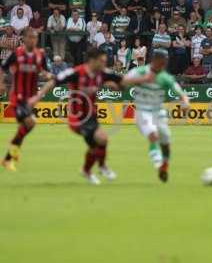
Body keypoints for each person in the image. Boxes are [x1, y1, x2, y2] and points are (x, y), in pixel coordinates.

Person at [31, 48, 154, 185]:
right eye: (101, 61)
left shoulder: (102, 73)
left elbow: (123, 80)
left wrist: (142, 79)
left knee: (102, 141)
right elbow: (53, 82)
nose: (104, 63)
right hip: (77, 117)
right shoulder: (76, 72)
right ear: (92, 60)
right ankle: (97, 168)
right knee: (99, 140)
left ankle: (92, 169)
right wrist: (37, 97)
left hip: (91, 115)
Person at [123, 48, 190, 182]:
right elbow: (122, 82)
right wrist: (142, 79)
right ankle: (159, 165)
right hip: (142, 111)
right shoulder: (140, 71)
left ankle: (165, 164)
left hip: (158, 112)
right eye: (162, 61)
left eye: (165, 62)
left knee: (165, 140)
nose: (163, 64)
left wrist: (185, 103)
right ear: (154, 60)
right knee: (153, 135)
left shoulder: (166, 77)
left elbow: (182, 94)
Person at [0, 29, 51, 171]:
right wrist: (1, 84)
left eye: (34, 38)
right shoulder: (16, 54)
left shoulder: (40, 55)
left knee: (27, 126)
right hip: (18, 97)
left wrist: (49, 76)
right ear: (24, 39)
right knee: (29, 123)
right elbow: (2, 68)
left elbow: (44, 71)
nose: (32, 40)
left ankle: (11, 153)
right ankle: (10, 155)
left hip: (31, 98)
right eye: (29, 37)